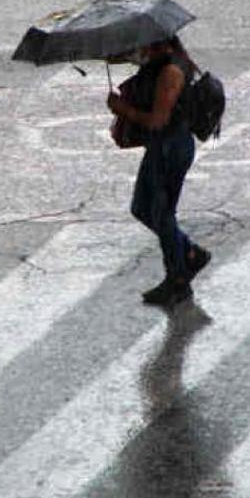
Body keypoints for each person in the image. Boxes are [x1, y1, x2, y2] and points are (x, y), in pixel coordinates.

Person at [106, 36, 211, 307]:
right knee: (141, 207)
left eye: (142, 45)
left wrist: (123, 109)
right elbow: (130, 58)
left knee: (162, 214)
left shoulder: (171, 72)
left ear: (156, 43)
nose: (138, 50)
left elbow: (157, 120)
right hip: (160, 147)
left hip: (171, 148)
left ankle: (178, 280)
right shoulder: (159, 62)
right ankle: (188, 251)